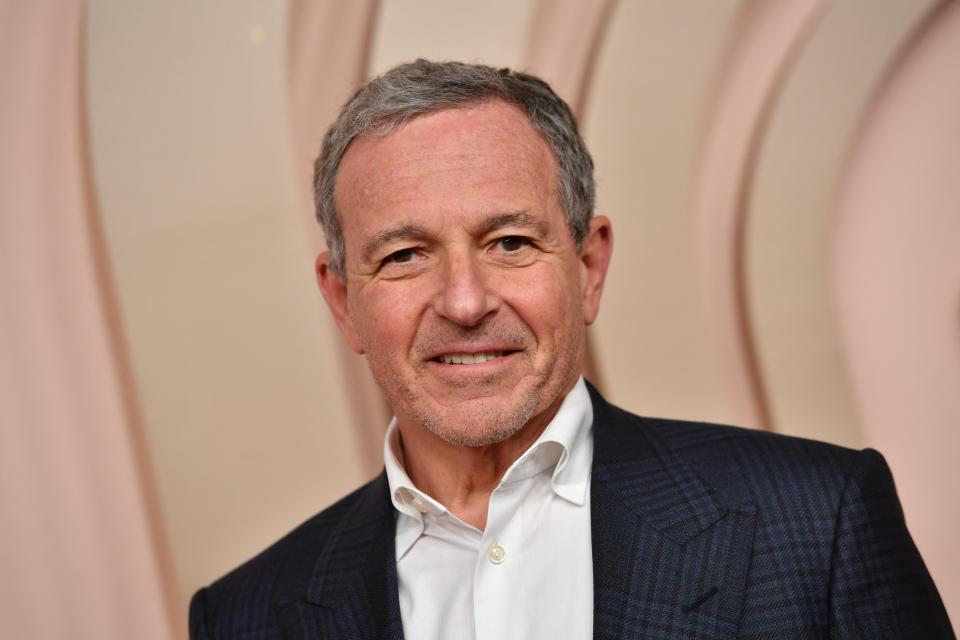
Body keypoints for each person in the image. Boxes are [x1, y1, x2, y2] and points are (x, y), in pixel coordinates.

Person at [189, 60, 952, 639]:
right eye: (405, 256)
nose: (464, 302)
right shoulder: (244, 618)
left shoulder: (820, 526)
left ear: (588, 269)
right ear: (342, 301)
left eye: (510, 242)